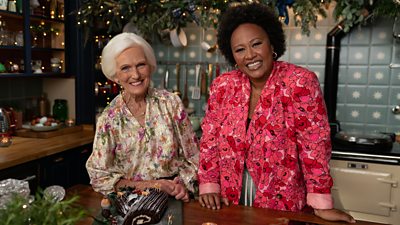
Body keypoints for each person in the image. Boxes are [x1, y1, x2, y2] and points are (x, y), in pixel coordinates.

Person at [197, 3, 355, 223]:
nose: (250, 55)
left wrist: (321, 203)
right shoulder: (222, 86)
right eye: (240, 49)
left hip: (282, 203)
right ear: (232, 55)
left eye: (256, 44)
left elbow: (314, 146)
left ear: (272, 44)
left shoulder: (300, 82)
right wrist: (208, 185)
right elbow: (210, 140)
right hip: (228, 199)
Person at [86, 32, 199, 202]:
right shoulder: (109, 118)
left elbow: (194, 157)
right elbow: (99, 177)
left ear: (150, 66)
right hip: (131, 201)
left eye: (141, 65)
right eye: (125, 68)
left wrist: (182, 184)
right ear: (115, 76)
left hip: (174, 197)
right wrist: (153, 185)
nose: (136, 75)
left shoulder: (171, 103)